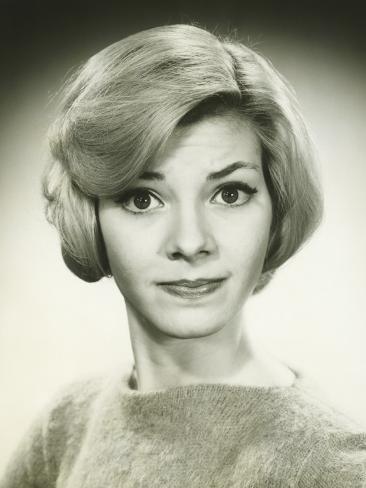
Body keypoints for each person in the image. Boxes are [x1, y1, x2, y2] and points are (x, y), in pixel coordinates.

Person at [1, 23, 366, 488]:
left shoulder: (337, 469)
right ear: (89, 217)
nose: (191, 242)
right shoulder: (63, 430)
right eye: (142, 199)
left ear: (276, 207)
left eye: (230, 193)